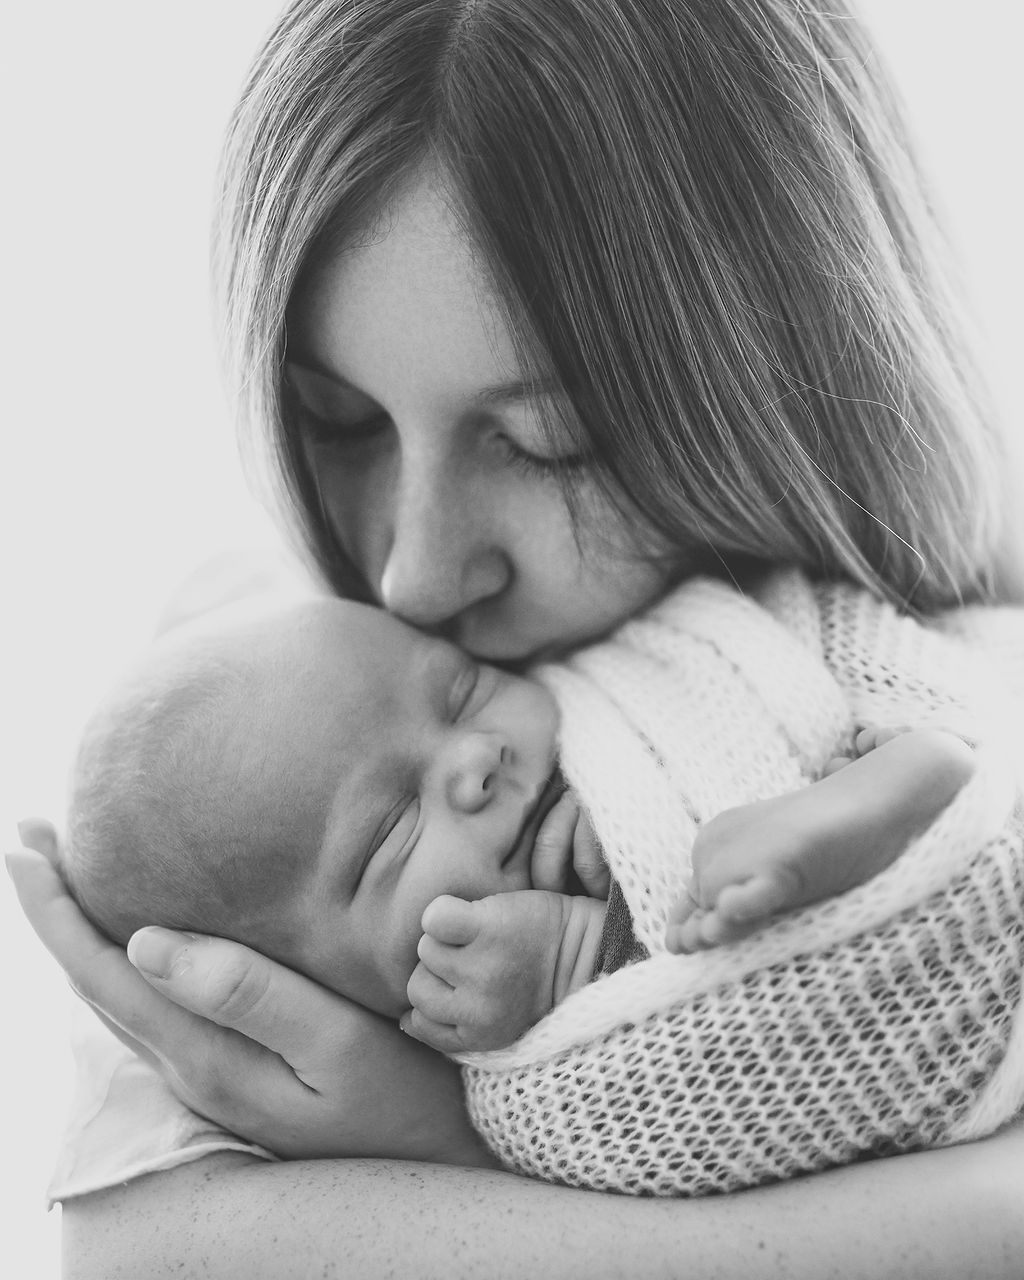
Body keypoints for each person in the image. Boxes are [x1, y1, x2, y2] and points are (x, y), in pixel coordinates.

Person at [9, 0, 1024, 1273]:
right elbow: (143, 1249)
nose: (415, 572)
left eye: (546, 441)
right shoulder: (259, 693)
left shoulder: (903, 646)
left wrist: (431, 1154)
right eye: (340, 421)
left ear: (784, 371)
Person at [61, 583, 1014, 1200]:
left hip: (866, 764)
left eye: (465, 690)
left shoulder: (578, 705)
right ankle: (886, 804)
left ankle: (897, 768)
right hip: (897, 996)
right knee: (571, 1116)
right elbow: (632, 1090)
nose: (476, 761)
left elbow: (681, 677)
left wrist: (631, 789)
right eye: (392, 830)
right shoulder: (469, 1014)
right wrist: (571, 957)